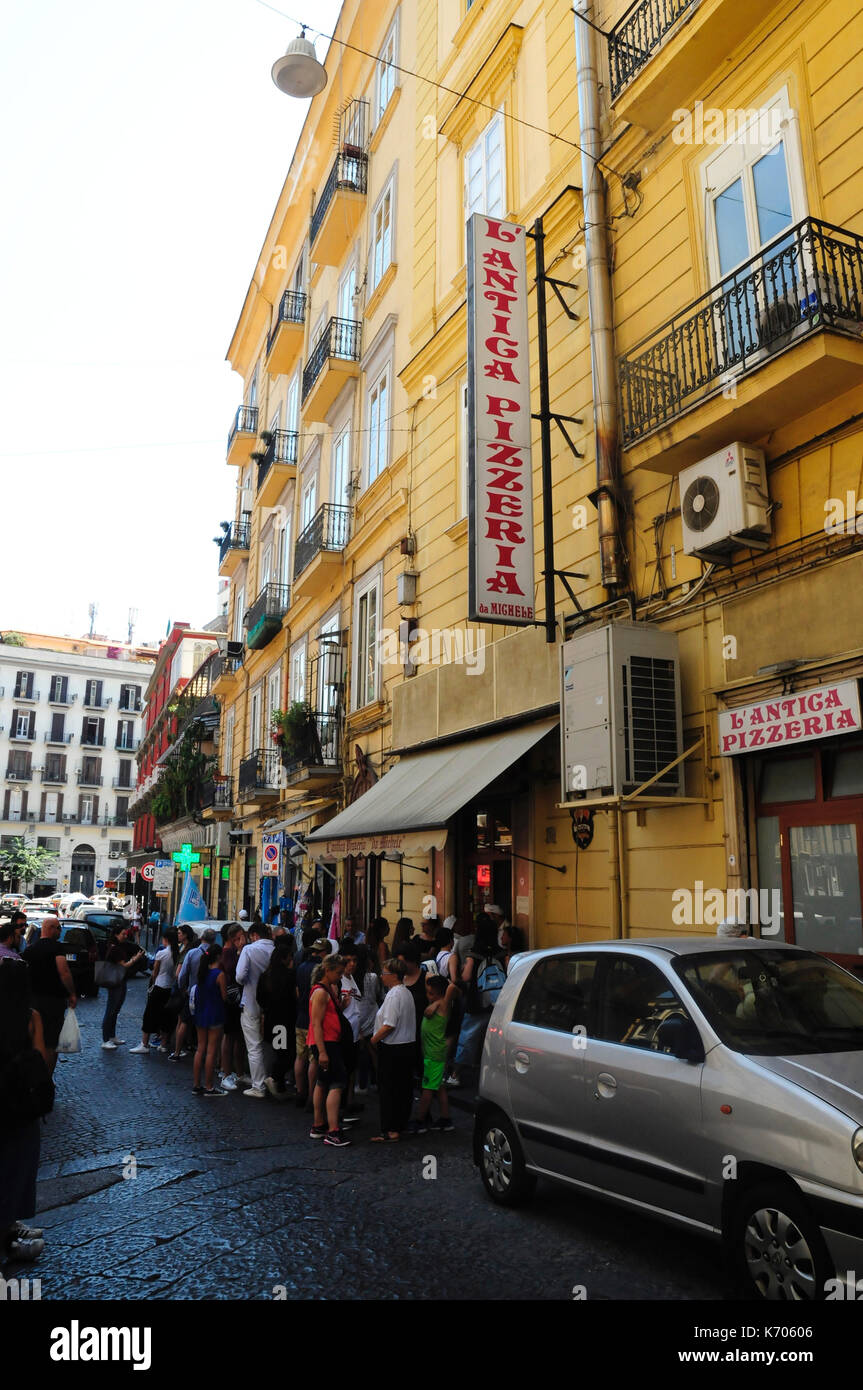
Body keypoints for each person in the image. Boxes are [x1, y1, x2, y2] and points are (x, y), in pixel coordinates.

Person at [0, 952, 52, 1266]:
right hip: (18, 1106)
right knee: (15, 1170)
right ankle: (8, 1235)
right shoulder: (30, 1017)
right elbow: (42, 1061)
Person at [447, 913, 506, 1089]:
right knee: (494, 1040)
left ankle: (455, 1075)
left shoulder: (475, 953)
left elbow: (465, 976)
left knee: (468, 1038)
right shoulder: (501, 953)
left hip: (477, 1001)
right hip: (497, 1003)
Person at [21, 916, 77, 1076]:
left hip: (33, 1000)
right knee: (51, 1042)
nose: (60, 931)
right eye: (58, 928)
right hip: (53, 1000)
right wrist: (72, 993)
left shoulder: (30, 949)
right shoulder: (57, 948)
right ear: (51, 929)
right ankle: (46, 1078)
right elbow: (64, 972)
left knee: (36, 1038)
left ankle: (35, 1076)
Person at [307, 954, 352, 1147]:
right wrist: (323, 1052)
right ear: (328, 970)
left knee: (323, 1081)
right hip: (326, 1043)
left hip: (326, 1042)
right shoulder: (321, 992)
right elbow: (316, 1023)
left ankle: (319, 1125)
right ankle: (333, 1131)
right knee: (337, 1082)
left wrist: (341, 1006)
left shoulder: (324, 990)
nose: (340, 976)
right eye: (338, 973)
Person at [370, 958, 416, 1142]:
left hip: (393, 1048)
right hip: (407, 1046)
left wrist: (373, 1040)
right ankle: (400, 1124)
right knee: (403, 1089)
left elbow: (389, 1025)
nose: (382, 976)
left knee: (389, 1089)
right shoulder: (406, 993)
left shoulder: (394, 995)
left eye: (385, 973)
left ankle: (390, 1129)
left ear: (394, 976)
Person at [410, 974, 458, 1134]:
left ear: (440, 994)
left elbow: (452, 986)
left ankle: (420, 1121)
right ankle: (446, 1119)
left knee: (428, 1089)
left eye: (432, 993)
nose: (428, 996)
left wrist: (438, 1002)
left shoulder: (444, 1005)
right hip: (433, 1053)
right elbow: (430, 976)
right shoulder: (438, 1004)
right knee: (440, 1088)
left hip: (434, 1055)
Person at [235, 920, 274, 1097]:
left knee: (254, 1045)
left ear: (254, 936)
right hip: (271, 1003)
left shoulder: (249, 950)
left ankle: (259, 1085)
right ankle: (271, 1078)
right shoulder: (275, 950)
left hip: (251, 1000)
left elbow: (240, 976)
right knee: (271, 1043)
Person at [257, 935, 297, 1098]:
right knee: (286, 1055)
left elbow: (260, 998)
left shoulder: (266, 975)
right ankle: (274, 1079)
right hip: (284, 1021)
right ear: (284, 959)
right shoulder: (288, 976)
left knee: (280, 1052)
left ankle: (278, 1085)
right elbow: (293, 997)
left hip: (272, 1018)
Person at [130, 927, 179, 1054]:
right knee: (166, 1016)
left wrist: (153, 982)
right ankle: (163, 1044)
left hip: (159, 986)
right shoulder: (177, 953)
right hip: (169, 987)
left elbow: (155, 971)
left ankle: (144, 1044)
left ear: (166, 939)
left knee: (149, 1015)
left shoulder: (162, 953)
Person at [294, 935, 330, 1107]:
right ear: (324, 953)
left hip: (300, 1017)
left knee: (299, 1058)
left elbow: (297, 992)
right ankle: (311, 1097)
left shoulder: (301, 966)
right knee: (313, 1060)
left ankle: (300, 1092)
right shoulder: (321, 971)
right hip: (313, 1019)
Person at [191, 943, 227, 1095]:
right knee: (211, 1051)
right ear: (218, 956)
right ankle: (209, 1086)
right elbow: (225, 997)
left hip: (200, 1013)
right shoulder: (220, 975)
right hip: (215, 1014)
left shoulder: (202, 973)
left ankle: (196, 1084)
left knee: (200, 1049)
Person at [100, 925, 144, 1049]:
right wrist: (135, 959)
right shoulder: (115, 949)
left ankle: (111, 1036)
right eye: (123, 934)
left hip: (118, 980)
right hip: (116, 982)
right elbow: (123, 966)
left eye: (126, 934)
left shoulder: (114, 946)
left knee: (114, 1010)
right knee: (111, 1010)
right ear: (116, 935)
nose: (125, 936)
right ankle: (106, 1039)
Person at [219, 923, 246, 1091]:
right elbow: (235, 971)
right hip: (231, 1000)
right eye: (239, 937)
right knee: (230, 1037)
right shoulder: (228, 953)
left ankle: (238, 1072)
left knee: (236, 1037)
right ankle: (226, 1073)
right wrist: (241, 950)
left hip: (235, 999)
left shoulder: (230, 952)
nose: (243, 940)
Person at [352, 942, 381, 1095]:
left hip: (359, 1018)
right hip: (372, 1017)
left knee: (362, 1053)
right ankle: (376, 1081)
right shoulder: (373, 977)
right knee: (374, 1052)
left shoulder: (351, 978)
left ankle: (362, 1084)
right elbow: (377, 995)